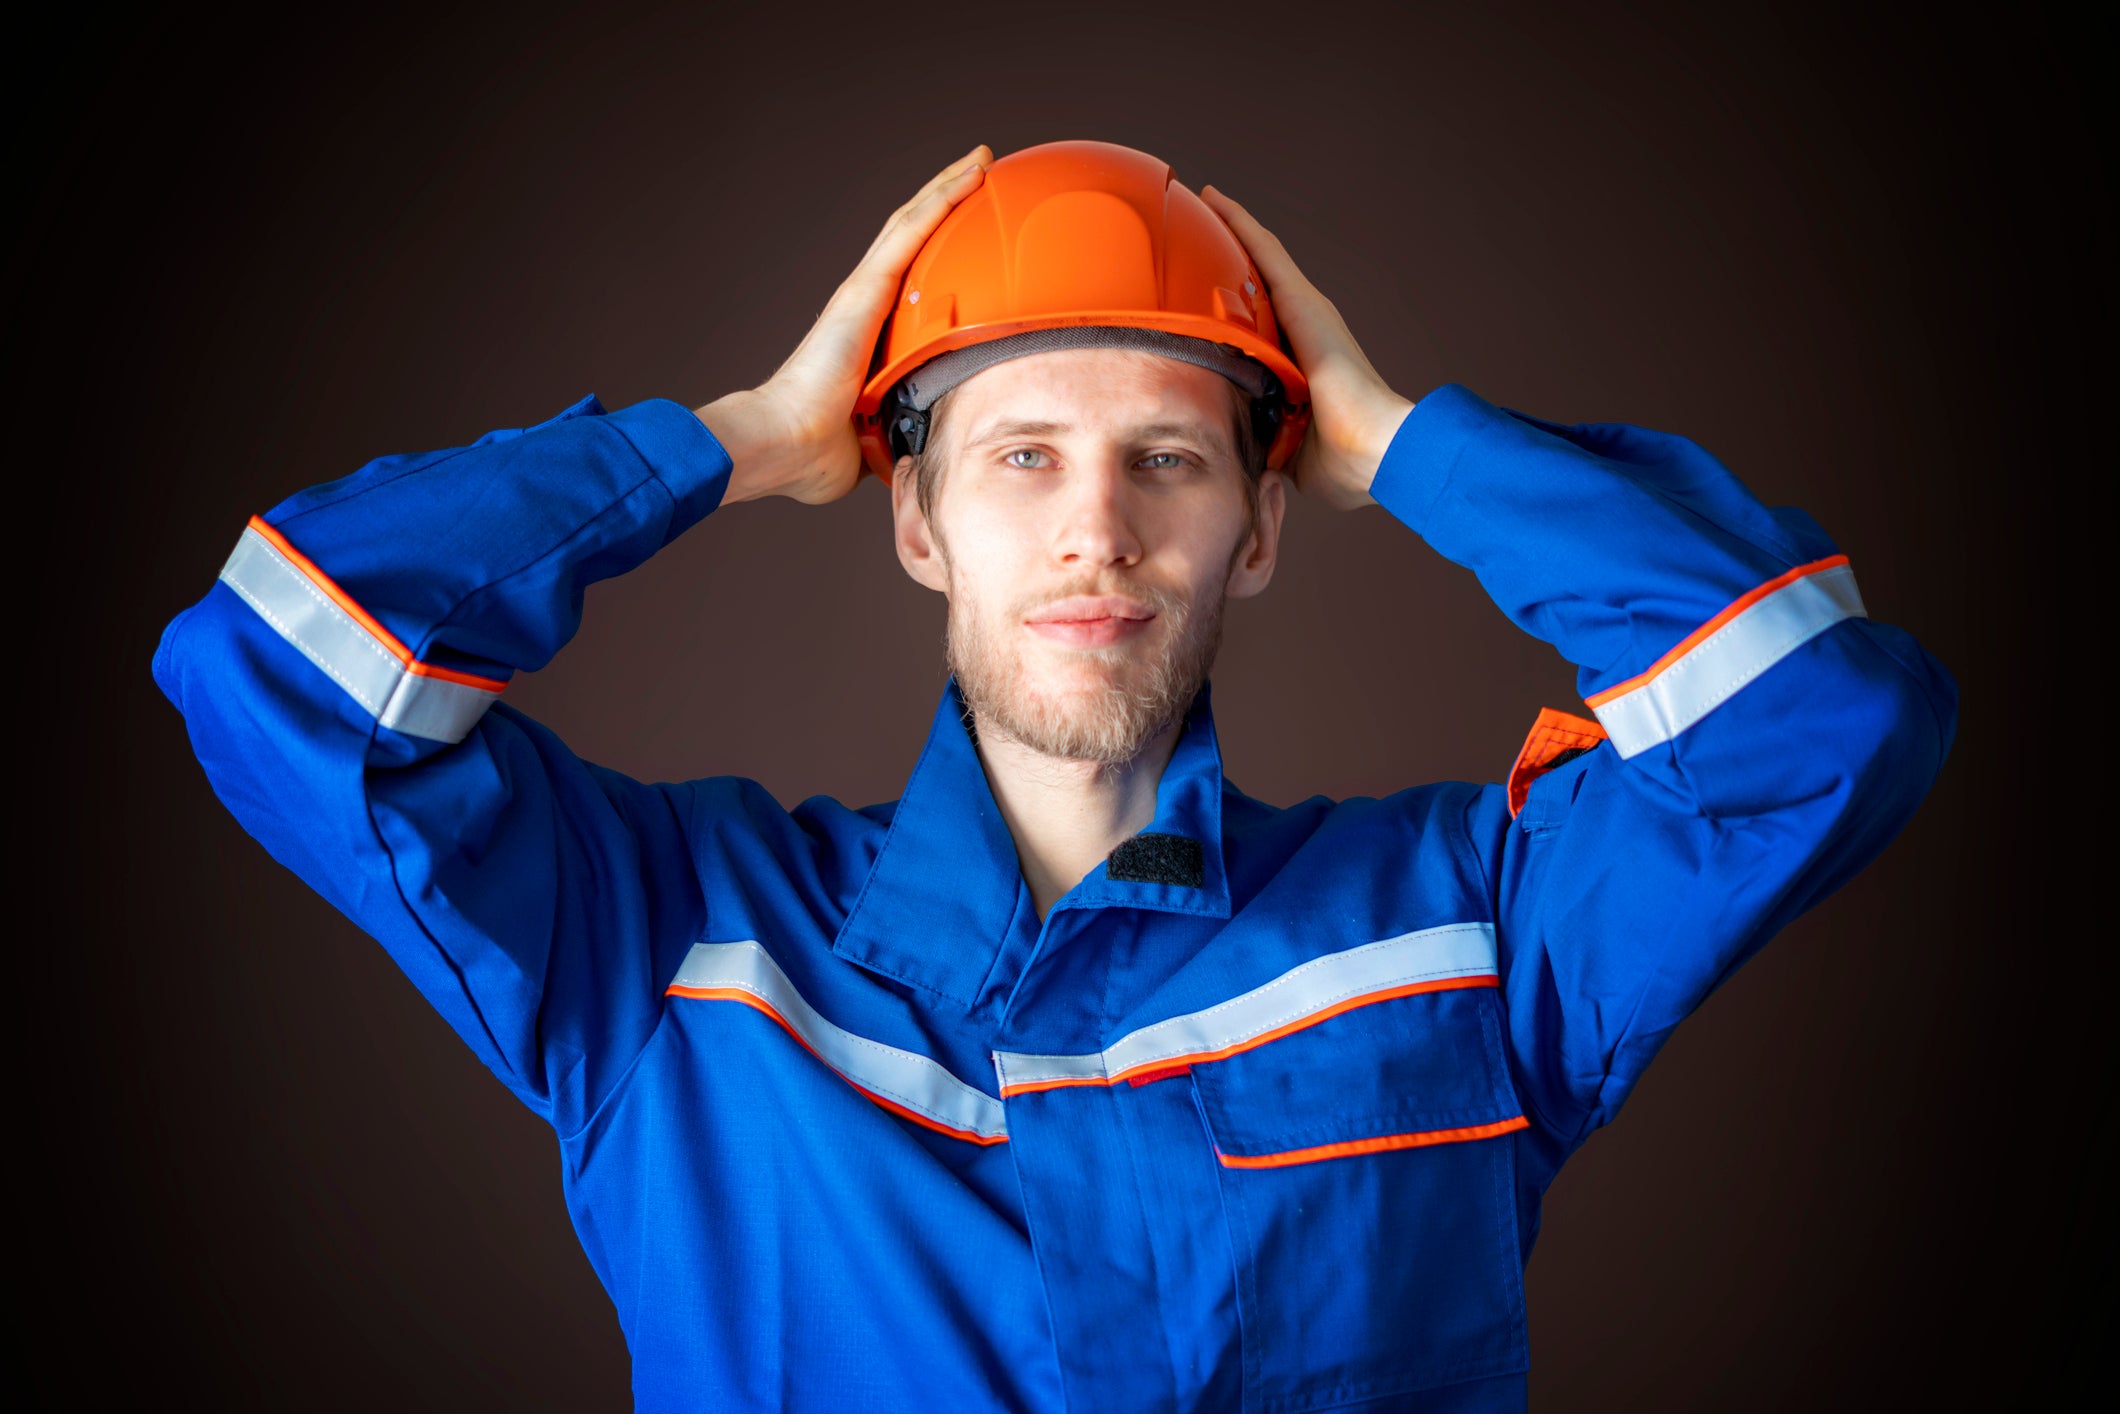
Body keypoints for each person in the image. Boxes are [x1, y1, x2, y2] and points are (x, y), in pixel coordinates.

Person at [152, 139, 1957, 1412]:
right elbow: (281, 668)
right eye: (1021, 455)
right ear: (914, 516)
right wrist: (743, 440)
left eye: (1167, 458)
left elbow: (1814, 716)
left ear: (1262, 523)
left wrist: (1408, 443)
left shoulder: (1467, 934)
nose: (1097, 530)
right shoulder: (668, 948)